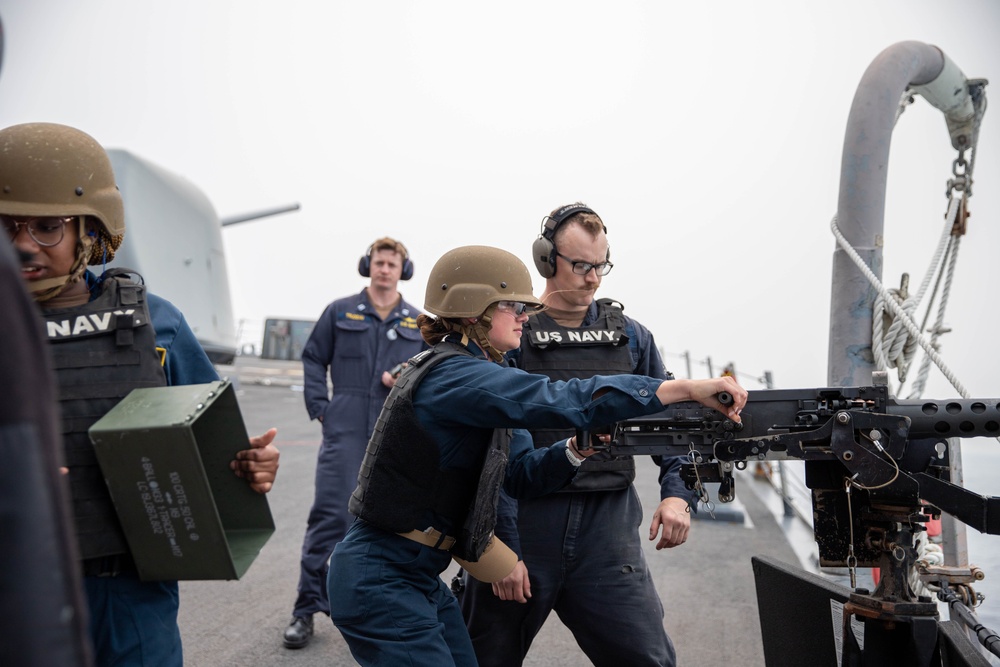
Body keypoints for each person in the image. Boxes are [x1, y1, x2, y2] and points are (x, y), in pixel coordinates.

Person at [326, 245, 746, 666]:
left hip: (415, 575)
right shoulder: (454, 375)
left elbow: (521, 475)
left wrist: (577, 449)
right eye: (513, 307)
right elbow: (562, 397)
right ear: (475, 311)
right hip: (381, 576)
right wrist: (683, 389)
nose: (526, 317)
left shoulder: (484, 378)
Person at [0, 121, 280, 666]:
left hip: (127, 594)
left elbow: (216, 444)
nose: (23, 245)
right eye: (6, 226)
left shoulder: (156, 324)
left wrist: (249, 466)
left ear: (90, 230)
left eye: (46, 226)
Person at [460, 203, 692, 666]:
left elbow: (671, 420)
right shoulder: (510, 337)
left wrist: (676, 494)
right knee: (483, 658)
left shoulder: (633, 338)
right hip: (525, 525)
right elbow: (493, 449)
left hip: (608, 531)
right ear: (547, 260)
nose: (592, 279)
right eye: (581, 265)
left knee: (649, 659)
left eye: (601, 265)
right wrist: (497, 545)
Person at [285, 236, 425, 649]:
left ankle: (374, 614)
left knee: (387, 522)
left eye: (392, 264)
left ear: (404, 270)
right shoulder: (339, 311)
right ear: (369, 265)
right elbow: (313, 357)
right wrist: (321, 408)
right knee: (329, 517)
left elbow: (431, 369)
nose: (385, 269)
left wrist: (407, 378)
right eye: (379, 262)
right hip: (344, 426)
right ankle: (305, 609)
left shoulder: (418, 323)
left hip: (393, 431)